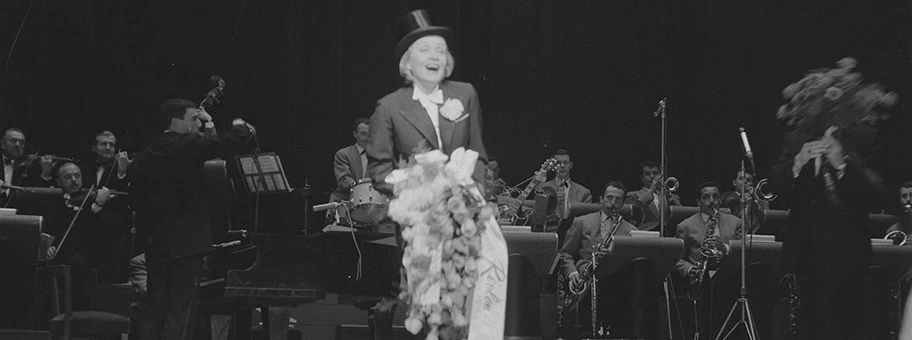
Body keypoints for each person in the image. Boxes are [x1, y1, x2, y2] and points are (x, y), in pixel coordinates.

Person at [365, 9, 488, 340]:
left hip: (464, 216)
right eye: (424, 49)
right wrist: (419, 183)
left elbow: (479, 155)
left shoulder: (465, 94)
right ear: (407, 62)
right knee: (427, 309)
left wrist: (473, 198)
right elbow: (379, 171)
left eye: (440, 49)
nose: (434, 56)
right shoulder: (389, 108)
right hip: (420, 223)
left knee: (463, 308)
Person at [129, 98, 255, 340]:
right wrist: (240, 125)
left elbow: (135, 201)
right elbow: (233, 141)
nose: (198, 123)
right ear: (176, 121)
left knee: (155, 309)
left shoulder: (146, 155)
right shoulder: (186, 145)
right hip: (187, 243)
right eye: (193, 119)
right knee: (181, 309)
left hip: (156, 243)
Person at [770, 125, 879, 340]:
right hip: (806, 259)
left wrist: (841, 166)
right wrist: (797, 163)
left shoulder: (861, 139)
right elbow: (774, 187)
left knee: (848, 327)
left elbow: (875, 196)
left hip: (850, 260)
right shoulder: (795, 141)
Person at [559, 181, 654, 339]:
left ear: (623, 203)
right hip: (586, 280)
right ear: (601, 199)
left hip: (617, 285)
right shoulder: (582, 222)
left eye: (618, 199)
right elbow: (565, 253)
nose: (613, 203)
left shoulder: (632, 230)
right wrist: (572, 273)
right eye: (609, 198)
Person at [672, 181, 742, 340]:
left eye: (715, 197)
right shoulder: (686, 226)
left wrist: (724, 248)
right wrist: (691, 270)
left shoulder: (736, 223)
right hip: (701, 282)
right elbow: (675, 258)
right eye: (706, 197)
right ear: (698, 202)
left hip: (728, 278)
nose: (712, 201)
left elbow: (742, 251)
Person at [44, 162, 114, 309]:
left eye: (77, 176)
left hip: (88, 252)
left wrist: (98, 206)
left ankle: (76, 315)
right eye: (68, 177)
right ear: (59, 182)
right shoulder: (54, 204)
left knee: (78, 262)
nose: (74, 180)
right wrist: (49, 247)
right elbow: (51, 231)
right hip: (62, 253)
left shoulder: (90, 201)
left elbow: (96, 232)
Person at [78, 130, 135, 282]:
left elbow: (126, 197)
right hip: (87, 230)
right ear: (94, 148)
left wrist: (122, 171)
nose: (109, 148)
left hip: (114, 232)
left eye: (112, 145)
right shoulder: (84, 169)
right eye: (104, 144)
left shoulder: (123, 167)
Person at [530, 149, 592, 235]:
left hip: (573, 236)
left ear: (571, 165)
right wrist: (539, 188)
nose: (562, 166)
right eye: (558, 163)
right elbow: (537, 219)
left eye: (565, 162)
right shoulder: (543, 187)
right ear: (554, 166)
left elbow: (587, 223)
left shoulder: (583, 192)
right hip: (548, 236)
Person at [0, 128, 55, 208]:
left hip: (18, 215)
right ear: (2, 144)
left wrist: (45, 174)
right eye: (13, 141)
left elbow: (35, 196)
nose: (17, 145)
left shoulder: (30, 168)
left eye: (21, 142)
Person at [625, 160, 682, 234]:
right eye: (647, 174)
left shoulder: (672, 197)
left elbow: (681, 215)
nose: (652, 176)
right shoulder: (633, 195)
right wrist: (651, 191)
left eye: (655, 173)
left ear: (661, 176)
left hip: (668, 235)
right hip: (644, 235)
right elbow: (636, 210)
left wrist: (669, 197)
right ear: (642, 178)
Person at [330, 118, 371, 203]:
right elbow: (343, 179)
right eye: (363, 134)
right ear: (355, 134)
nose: (367, 138)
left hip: (370, 202)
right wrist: (360, 188)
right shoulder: (343, 154)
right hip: (345, 201)